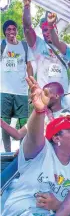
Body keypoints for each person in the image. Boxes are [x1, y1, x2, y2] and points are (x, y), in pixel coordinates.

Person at [1, 77, 70, 216]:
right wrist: (39, 111)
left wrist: (58, 205)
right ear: (56, 138)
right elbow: (33, 136)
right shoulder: (41, 152)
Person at [22, 0, 70, 92]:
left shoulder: (63, 46)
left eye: (49, 29)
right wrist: (27, 6)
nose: (47, 32)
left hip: (63, 96)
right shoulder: (38, 44)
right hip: (45, 96)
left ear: (55, 29)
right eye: (44, 30)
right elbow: (27, 28)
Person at [1, 19, 35, 152]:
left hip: (21, 91)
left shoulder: (24, 46)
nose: (11, 31)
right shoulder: (1, 44)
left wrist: (32, 86)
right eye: (8, 29)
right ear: (4, 32)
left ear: (16, 31)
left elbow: (29, 66)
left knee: (23, 122)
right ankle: (7, 152)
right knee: (4, 122)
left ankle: (21, 151)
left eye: (13, 29)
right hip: (4, 91)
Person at [1, 82, 70, 141]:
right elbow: (18, 135)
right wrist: (1, 123)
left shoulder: (66, 114)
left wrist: (50, 116)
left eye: (46, 94)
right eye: (42, 94)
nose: (42, 97)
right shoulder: (40, 115)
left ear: (56, 96)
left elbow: (59, 140)